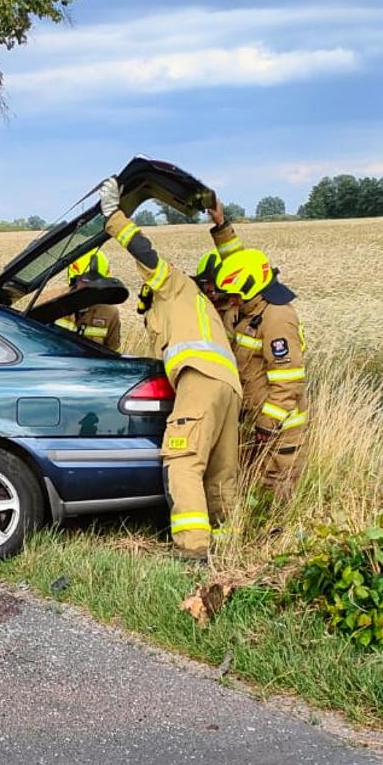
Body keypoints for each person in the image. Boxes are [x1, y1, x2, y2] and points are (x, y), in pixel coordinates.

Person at [96, 177, 242, 559]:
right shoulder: (202, 305)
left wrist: (113, 217)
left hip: (200, 378)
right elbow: (239, 261)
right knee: (220, 472)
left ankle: (192, 547)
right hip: (229, 386)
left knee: (181, 458)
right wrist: (220, 225)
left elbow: (144, 251)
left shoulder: (172, 286)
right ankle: (227, 545)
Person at [203, 203, 308, 499]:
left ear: (249, 290)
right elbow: (238, 262)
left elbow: (289, 380)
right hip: (254, 421)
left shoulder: (277, 318)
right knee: (249, 484)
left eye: (235, 295)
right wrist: (221, 226)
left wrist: (267, 423)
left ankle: (274, 542)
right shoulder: (252, 307)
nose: (230, 301)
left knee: (272, 491)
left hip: (279, 431)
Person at [53, 248, 124, 351]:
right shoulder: (52, 301)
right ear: (74, 280)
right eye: (85, 282)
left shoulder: (110, 314)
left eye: (96, 283)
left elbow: (113, 354)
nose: (90, 287)